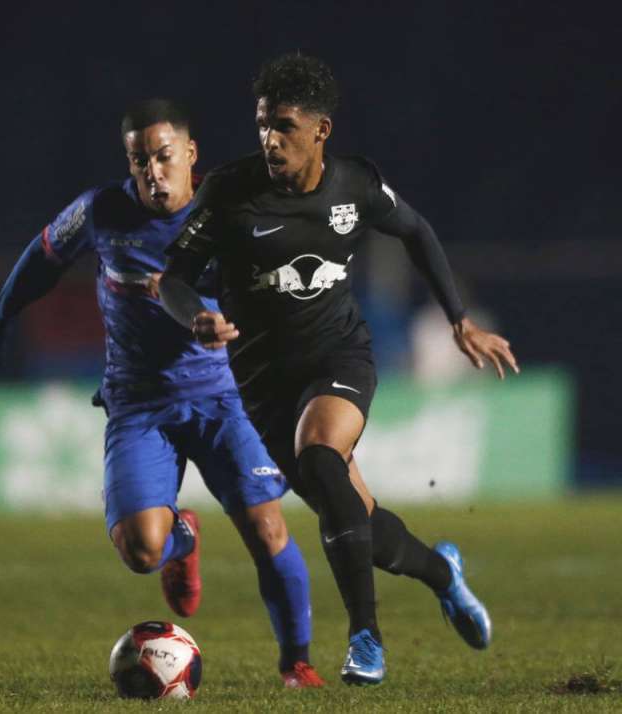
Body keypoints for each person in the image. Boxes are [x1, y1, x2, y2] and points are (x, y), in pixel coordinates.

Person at [159, 54, 518, 685]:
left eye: (287, 126)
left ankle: (366, 639)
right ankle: (443, 573)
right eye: (264, 124)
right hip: (264, 383)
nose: (271, 139)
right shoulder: (230, 191)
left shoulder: (354, 186)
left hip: (339, 357)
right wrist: (195, 317)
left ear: (321, 130)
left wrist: (458, 319)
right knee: (356, 520)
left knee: (322, 455)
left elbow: (416, 230)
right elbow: (174, 279)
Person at [0, 99, 324, 688]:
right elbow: (41, 258)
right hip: (139, 404)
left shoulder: (233, 208)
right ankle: (180, 537)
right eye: (139, 161)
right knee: (140, 553)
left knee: (267, 528)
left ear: (190, 154)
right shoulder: (100, 212)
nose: (152, 172)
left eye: (163, 157)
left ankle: (297, 664)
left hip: (224, 396)